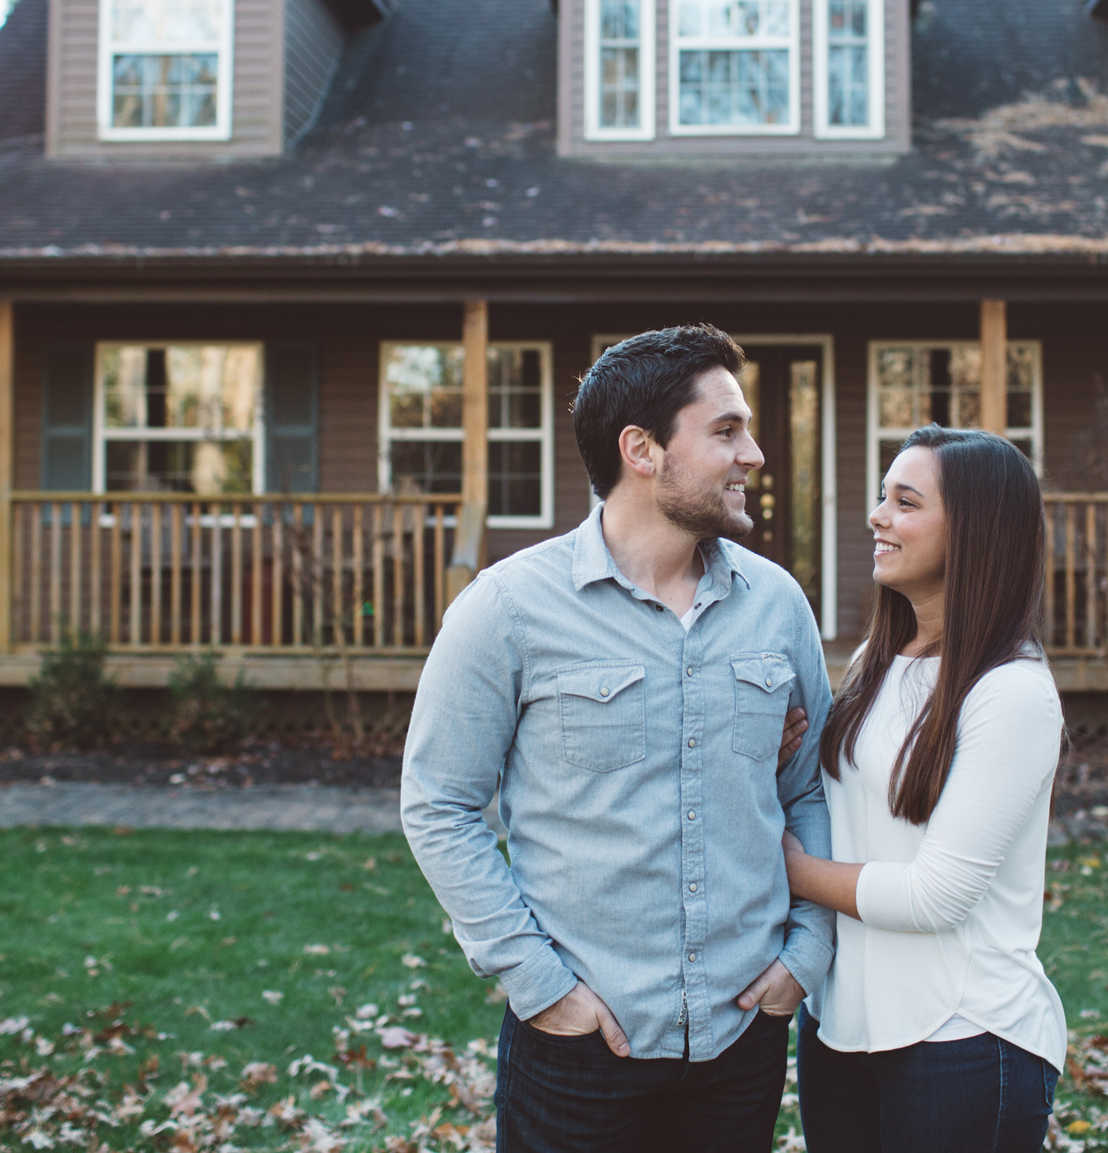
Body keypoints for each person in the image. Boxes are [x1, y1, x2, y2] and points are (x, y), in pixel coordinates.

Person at [401, 323, 835, 1153]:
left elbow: (807, 790)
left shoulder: (778, 605)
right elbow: (439, 805)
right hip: (577, 1043)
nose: (755, 452)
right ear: (642, 449)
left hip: (740, 1034)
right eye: (726, 430)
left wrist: (804, 953)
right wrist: (539, 984)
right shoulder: (509, 609)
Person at [781, 424, 1067, 1153]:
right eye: (883, 497)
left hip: (964, 1039)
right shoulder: (878, 664)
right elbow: (851, 805)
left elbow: (936, 895)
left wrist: (788, 870)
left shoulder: (1011, 694)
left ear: (974, 533)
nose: (878, 515)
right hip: (841, 1029)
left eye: (905, 502)